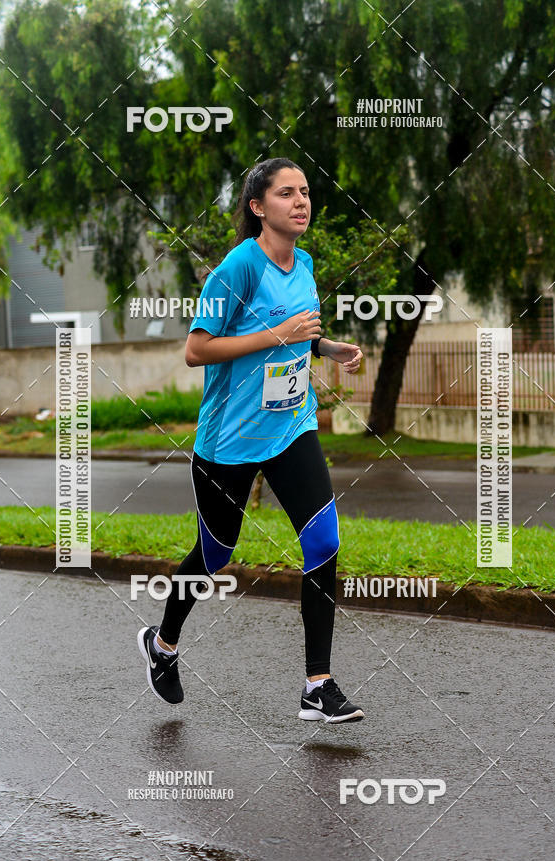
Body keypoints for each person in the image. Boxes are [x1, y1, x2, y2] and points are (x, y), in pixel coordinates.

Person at [138, 157, 365, 723]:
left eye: (306, 192)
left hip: (292, 427)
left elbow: (295, 332)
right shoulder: (236, 269)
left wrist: (325, 347)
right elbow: (197, 350)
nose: (301, 202)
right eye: (286, 194)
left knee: (324, 542)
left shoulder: (305, 264)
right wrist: (278, 334)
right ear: (259, 207)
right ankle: (162, 645)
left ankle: (319, 684)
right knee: (214, 555)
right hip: (227, 444)